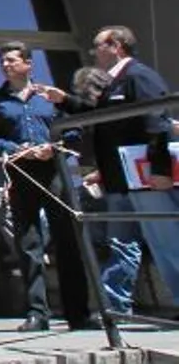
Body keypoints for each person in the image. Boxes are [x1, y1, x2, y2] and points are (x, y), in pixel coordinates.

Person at [0, 42, 94, 331]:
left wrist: (54, 148)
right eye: (3, 61)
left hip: (54, 173)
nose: (6, 65)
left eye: (12, 60)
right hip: (21, 174)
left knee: (67, 241)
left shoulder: (49, 96)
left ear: (28, 64)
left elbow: (75, 130)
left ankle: (78, 313)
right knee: (29, 244)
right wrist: (18, 148)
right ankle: (37, 314)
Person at [61, 26, 179, 305]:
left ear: (116, 45)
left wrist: (160, 170)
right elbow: (102, 119)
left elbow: (155, 122)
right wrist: (64, 100)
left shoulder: (138, 76)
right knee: (154, 240)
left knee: (167, 240)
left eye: (97, 46)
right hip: (127, 177)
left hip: (147, 176)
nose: (93, 53)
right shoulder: (114, 83)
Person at [69, 65, 141, 317]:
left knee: (122, 242)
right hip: (114, 182)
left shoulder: (116, 110)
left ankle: (116, 306)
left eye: (86, 94)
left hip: (128, 183)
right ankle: (113, 303)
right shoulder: (103, 113)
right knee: (109, 237)